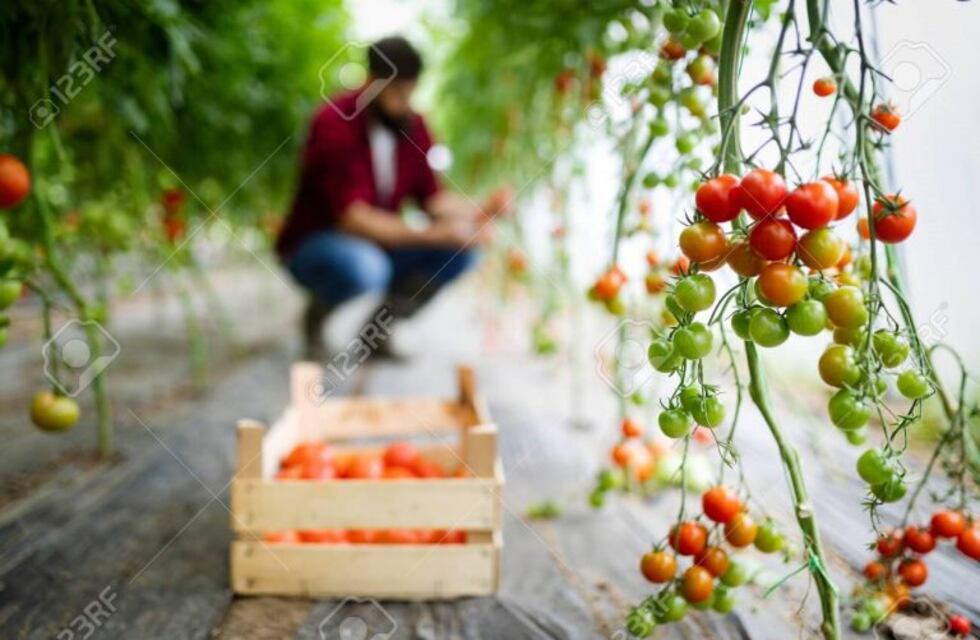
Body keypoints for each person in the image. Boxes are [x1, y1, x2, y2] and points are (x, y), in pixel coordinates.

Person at [276, 36, 506, 360]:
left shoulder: (413, 125)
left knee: (463, 251)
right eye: (397, 93)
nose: (405, 103)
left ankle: (376, 335)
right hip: (316, 245)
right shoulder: (333, 121)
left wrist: (482, 209)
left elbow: (432, 200)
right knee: (367, 267)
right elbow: (353, 219)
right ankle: (316, 317)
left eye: (410, 92)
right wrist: (435, 233)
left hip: (379, 246)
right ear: (371, 82)